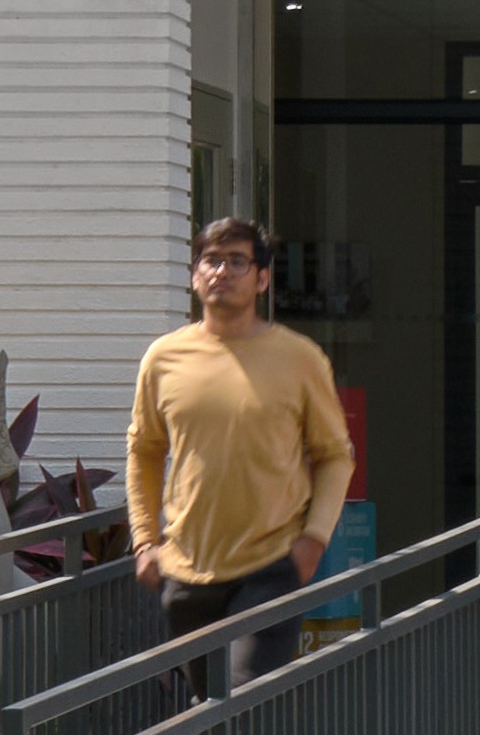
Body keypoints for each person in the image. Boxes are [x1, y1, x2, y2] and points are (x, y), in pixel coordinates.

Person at [126, 218, 357, 665]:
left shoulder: (300, 358)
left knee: (245, 693)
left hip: (271, 564)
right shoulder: (163, 359)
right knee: (207, 703)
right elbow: (144, 450)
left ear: (262, 279)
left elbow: (334, 455)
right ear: (194, 276)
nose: (222, 272)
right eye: (211, 261)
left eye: (237, 262)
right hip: (186, 567)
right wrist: (144, 542)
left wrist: (313, 541)